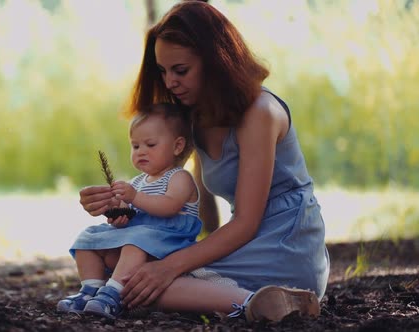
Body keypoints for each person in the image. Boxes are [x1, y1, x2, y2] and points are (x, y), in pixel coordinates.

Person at [78, 0, 330, 322]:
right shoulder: (195, 116)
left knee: (146, 285)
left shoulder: (260, 114)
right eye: (163, 71)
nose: (169, 83)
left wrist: (169, 266)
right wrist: (118, 204)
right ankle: (258, 302)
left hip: (285, 243)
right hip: (243, 241)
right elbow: (165, 183)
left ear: (216, 62)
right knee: (122, 268)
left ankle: (266, 302)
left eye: (180, 70)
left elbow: (247, 223)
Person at [58, 103, 203, 320]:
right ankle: (90, 290)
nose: (141, 151)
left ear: (177, 146)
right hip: (138, 240)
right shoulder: (138, 182)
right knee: (89, 236)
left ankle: (114, 294)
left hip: (169, 243)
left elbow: (169, 207)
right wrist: (117, 213)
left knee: (136, 241)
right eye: (135, 146)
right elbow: (131, 218)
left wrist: (134, 197)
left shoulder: (179, 177)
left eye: (150, 144)